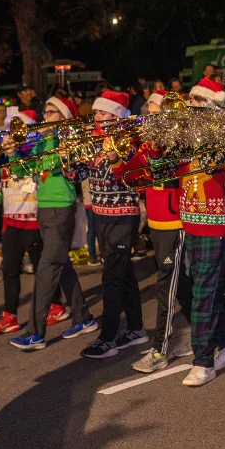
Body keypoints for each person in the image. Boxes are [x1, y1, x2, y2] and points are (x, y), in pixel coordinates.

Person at [157, 78, 225, 385]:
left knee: (203, 293)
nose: (187, 104)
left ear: (209, 105)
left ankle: (203, 360)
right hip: (189, 220)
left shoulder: (222, 139)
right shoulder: (185, 138)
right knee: (205, 290)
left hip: (213, 223)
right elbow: (163, 171)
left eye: (194, 100)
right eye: (189, 99)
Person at [5, 96, 97, 350]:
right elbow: (24, 171)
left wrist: (50, 141)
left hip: (61, 208)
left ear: (64, 116)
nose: (46, 116)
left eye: (52, 112)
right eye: (45, 112)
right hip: (43, 209)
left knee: (46, 270)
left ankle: (35, 332)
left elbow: (59, 167)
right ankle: (83, 317)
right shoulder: (41, 141)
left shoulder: (67, 141)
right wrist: (13, 152)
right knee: (61, 264)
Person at [63, 90, 147, 358]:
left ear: (116, 115)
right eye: (96, 112)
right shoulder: (94, 139)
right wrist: (69, 158)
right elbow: (78, 176)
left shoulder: (128, 140)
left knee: (112, 274)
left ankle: (108, 337)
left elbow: (132, 177)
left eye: (100, 112)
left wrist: (114, 158)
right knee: (124, 273)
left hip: (123, 214)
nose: (95, 116)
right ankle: (135, 328)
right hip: (100, 212)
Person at [120, 91, 193, 373]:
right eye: (148, 110)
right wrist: (117, 159)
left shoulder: (176, 142)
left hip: (175, 222)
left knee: (166, 286)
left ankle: (160, 350)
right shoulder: (148, 143)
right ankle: (205, 335)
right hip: (157, 223)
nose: (148, 114)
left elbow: (166, 172)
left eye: (153, 110)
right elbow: (131, 178)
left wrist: (155, 149)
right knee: (181, 286)